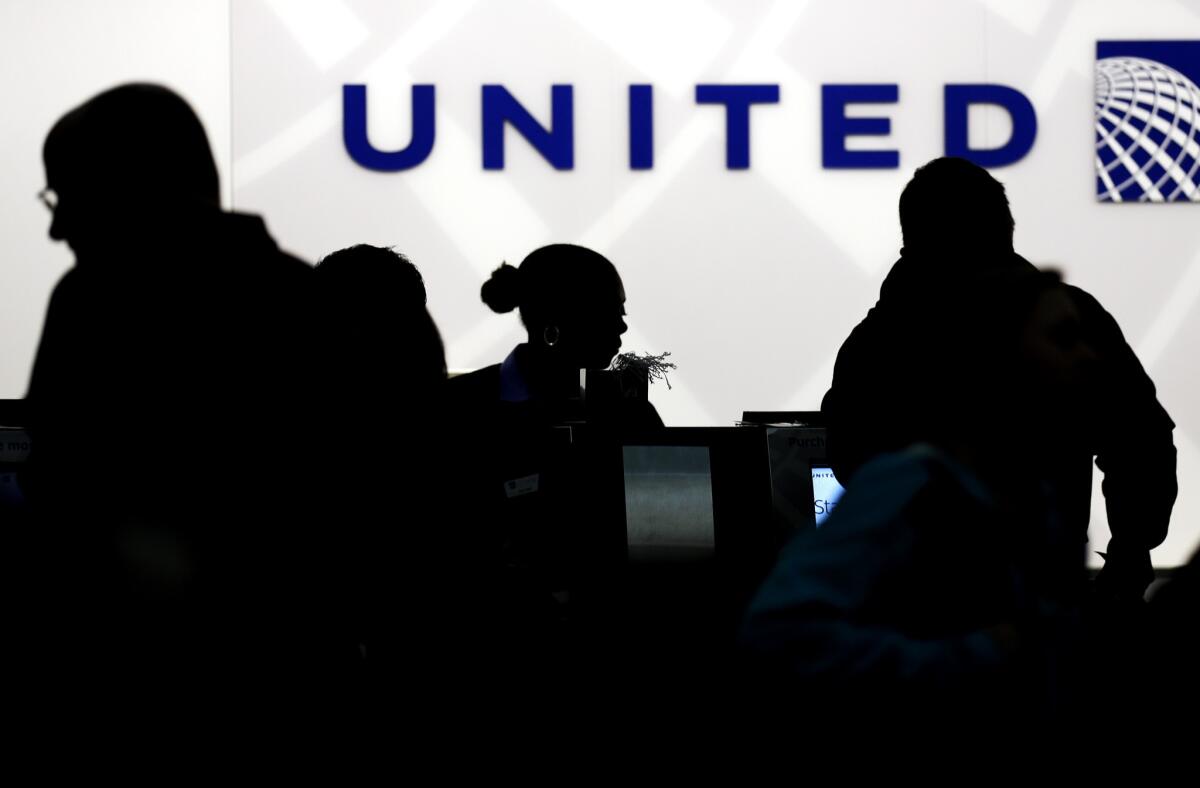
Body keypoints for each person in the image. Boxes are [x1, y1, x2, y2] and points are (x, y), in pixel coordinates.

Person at [24, 83, 318, 700]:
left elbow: (57, 495)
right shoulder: (303, 301)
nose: (56, 228)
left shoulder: (86, 306)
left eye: (68, 194)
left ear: (132, 186)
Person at [742, 270, 1096, 731]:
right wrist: (977, 654)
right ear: (996, 359)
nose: (1089, 358)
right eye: (1063, 340)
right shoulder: (912, 487)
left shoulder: (1032, 499)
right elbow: (776, 634)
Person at [821, 157, 1176, 603]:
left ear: (910, 242)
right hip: (1041, 604)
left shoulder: (874, 344)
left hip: (912, 601)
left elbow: (850, 461)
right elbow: (1140, 440)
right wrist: (1130, 552)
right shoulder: (1070, 319)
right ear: (1004, 230)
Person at [444, 243, 661, 699]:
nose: (623, 325)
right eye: (610, 310)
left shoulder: (631, 415)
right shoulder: (460, 412)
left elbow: (661, 540)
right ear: (556, 323)